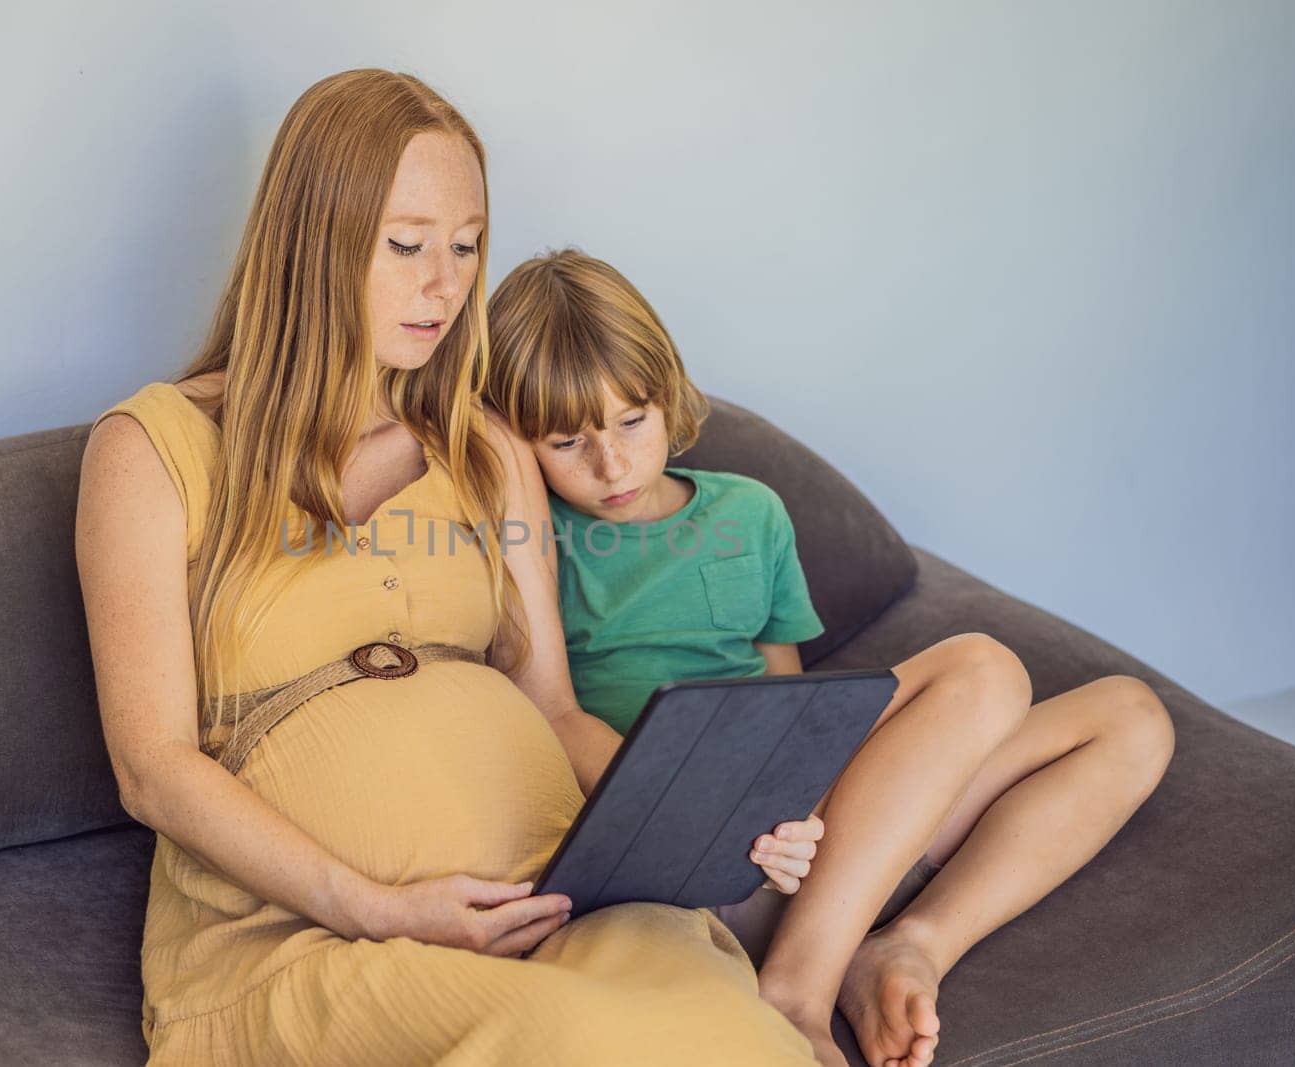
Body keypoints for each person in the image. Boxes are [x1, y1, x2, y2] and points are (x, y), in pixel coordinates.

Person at [74, 70, 822, 1065]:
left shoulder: (485, 446)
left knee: (740, 1033)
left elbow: (552, 705)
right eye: (407, 244)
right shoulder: (152, 447)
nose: (446, 283)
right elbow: (152, 767)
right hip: (309, 936)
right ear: (314, 237)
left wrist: (715, 813)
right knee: (575, 1036)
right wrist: (378, 903)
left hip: (560, 893)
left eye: (467, 245)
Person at [482, 248, 1178, 1067]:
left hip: (808, 831)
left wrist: (793, 809)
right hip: (683, 844)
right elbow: (549, 713)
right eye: (567, 442)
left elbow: (791, 694)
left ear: (666, 394)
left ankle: (907, 944)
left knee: (1116, 711)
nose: (611, 465)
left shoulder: (753, 512)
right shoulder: (539, 541)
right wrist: (718, 811)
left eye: (631, 422)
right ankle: (796, 989)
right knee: (988, 674)